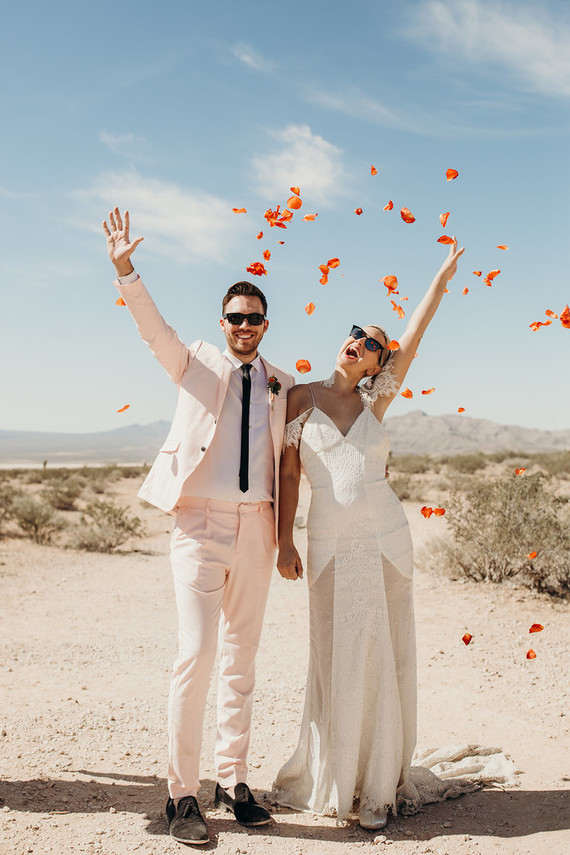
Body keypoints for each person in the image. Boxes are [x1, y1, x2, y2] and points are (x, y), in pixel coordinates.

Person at [103, 208, 294, 845]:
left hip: (257, 527)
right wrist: (127, 269)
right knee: (197, 655)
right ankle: (181, 796)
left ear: (265, 325)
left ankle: (234, 781)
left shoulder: (281, 384)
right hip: (199, 526)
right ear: (223, 324)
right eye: (234, 317)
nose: (244, 326)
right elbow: (152, 330)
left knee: (242, 661)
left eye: (253, 318)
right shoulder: (195, 364)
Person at [274, 239, 465, 830]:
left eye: (373, 343)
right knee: (335, 656)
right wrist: (284, 540)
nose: (359, 340)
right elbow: (287, 473)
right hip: (328, 541)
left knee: (384, 653)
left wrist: (439, 276)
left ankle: (379, 785)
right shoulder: (299, 398)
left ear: (378, 364)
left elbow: (417, 330)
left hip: (385, 539)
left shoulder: (374, 401)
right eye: (358, 331)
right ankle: (338, 777)